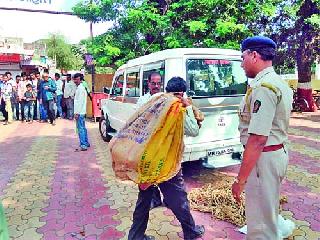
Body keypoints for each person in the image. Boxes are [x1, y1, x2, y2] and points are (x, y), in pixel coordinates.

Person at [232, 36, 293, 240]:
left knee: (259, 224)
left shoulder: (263, 87)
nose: (241, 64)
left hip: (264, 158)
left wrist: (240, 180)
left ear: (254, 55)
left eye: (243, 58)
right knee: (268, 209)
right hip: (276, 153)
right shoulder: (278, 82)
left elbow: (257, 139)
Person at [128, 77, 205, 240]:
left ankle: (135, 236)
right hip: (166, 163)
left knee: (144, 199)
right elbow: (193, 130)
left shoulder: (155, 103)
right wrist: (189, 107)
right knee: (179, 199)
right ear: (180, 93)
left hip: (147, 160)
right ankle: (190, 231)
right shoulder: (176, 108)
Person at [136, 72, 164, 209]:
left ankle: (166, 200)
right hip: (146, 144)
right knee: (148, 173)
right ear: (148, 83)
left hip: (162, 143)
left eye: (159, 83)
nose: (156, 86)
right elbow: (137, 121)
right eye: (154, 83)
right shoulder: (142, 100)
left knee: (161, 172)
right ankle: (154, 199)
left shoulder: (166, 99)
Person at [73, 73, 90, 151]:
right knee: (83, 127)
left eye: (76, 79)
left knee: (80, 128)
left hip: (80, 112)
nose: (75, 81)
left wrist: (77, 113)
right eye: (74, 79)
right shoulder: (81, 87)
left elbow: (79, 102)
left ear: (80, 79)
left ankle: (83, 144)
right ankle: (86, 142)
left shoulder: (81, 88)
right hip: (81, 111)